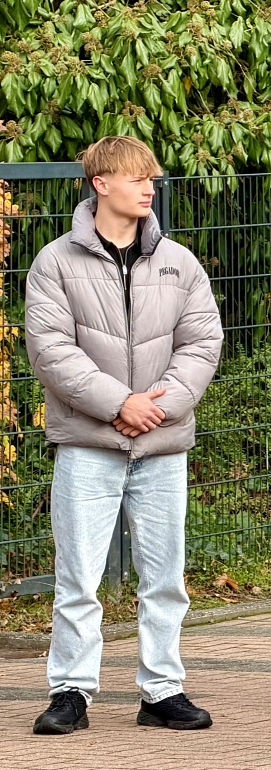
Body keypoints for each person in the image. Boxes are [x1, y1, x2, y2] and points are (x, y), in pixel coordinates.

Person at [25, 135, 223, 734]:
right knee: (78, 578)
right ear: (100, 183)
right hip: (88, 446)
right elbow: (51, 351)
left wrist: (156, 409)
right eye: (138, 178)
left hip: (161, 446)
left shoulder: (179, 262)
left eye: (153, 179)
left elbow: (203, 342)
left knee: (166, 576)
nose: (149, 188)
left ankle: (162, 691)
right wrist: (119, 405)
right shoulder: (54, 263)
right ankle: (70, 692)